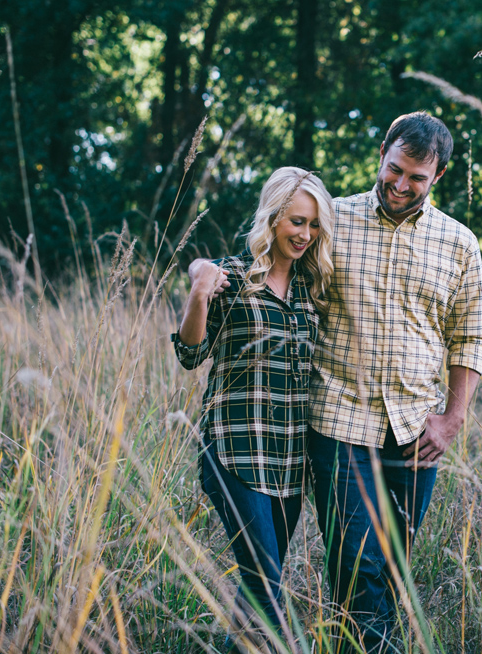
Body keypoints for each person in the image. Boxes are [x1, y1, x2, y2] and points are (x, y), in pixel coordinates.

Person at [308, 112, 482, 652]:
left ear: (438, 178)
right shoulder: (331, 220)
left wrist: (452, 418)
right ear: (382, 152)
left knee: (390, 566)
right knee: (355, 562)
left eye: (417, 177)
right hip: (339, 421)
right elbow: (275, 266)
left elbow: (470, 336)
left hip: (416, 432)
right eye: (395, 169)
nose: (401, 185)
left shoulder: (460, 244)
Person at [172, 167, 334, 651]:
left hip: (288, 465)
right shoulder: (231, 278)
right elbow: (189, 355)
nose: (304, 235)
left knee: (257, 590)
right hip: (234, 454)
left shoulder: (314, 290)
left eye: (313, 226)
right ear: (273, 217)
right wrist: (199, 292)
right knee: (267, 582)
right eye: (297, 222)